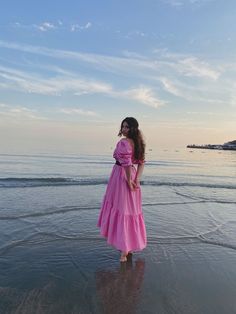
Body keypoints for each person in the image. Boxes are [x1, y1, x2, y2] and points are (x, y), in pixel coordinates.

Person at [97, 117, 147, 262]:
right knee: (130, 211)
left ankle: (124, 250)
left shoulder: (123, 143)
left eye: (127, 127)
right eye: (123, 127)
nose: (124, 129)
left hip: (121, 177)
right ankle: (128, 246)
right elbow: (141, 163)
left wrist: (129, 180)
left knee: (123, 209)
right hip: (130, 175)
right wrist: (136, 179)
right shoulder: (138, 143)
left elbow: (125, 164)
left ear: (133, 128)